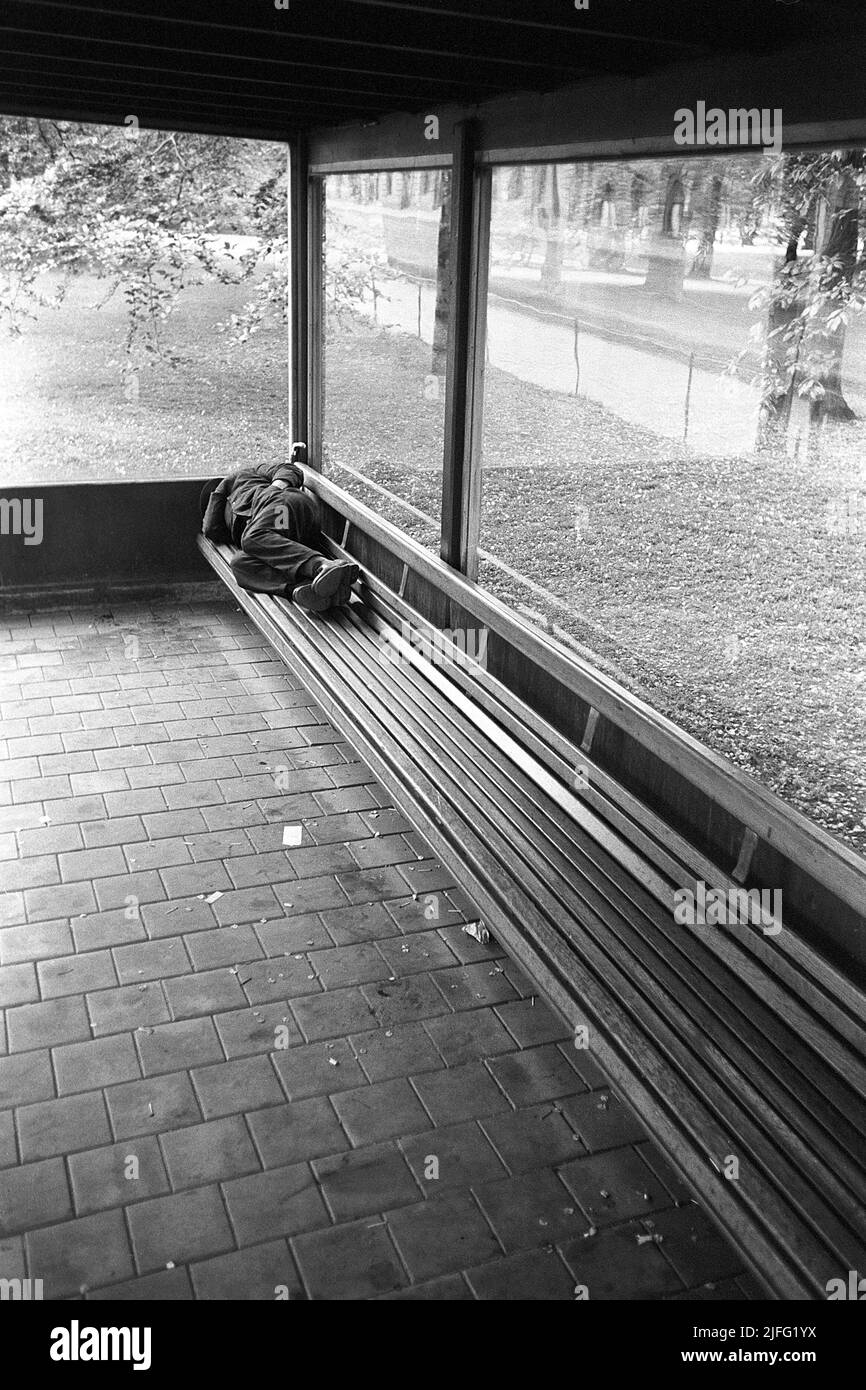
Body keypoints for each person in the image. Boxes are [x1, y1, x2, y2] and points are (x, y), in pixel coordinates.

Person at [200, 455, 358, 612]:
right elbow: (211, 530)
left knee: (252, 538)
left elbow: (290, 469)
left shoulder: (245, 475)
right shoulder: (228, 522)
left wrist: (272, 489)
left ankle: (321, 566)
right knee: (240, 564)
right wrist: (218, 497)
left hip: (283, 507)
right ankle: (305, 589)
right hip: (284, 539)